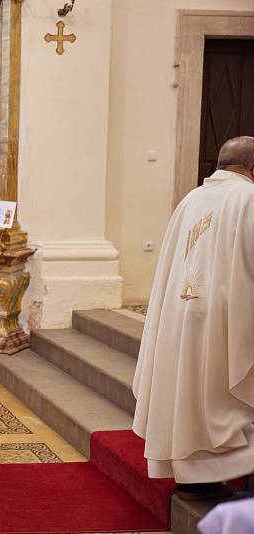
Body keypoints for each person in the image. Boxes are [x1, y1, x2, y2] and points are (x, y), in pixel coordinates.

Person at [133, 136, 254, 500]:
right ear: (252, 169)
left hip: (182, 316)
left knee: (188, 396)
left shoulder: (189, 201)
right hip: (223, 320)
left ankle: (192, 476)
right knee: (222, 399)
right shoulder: (248, 199)